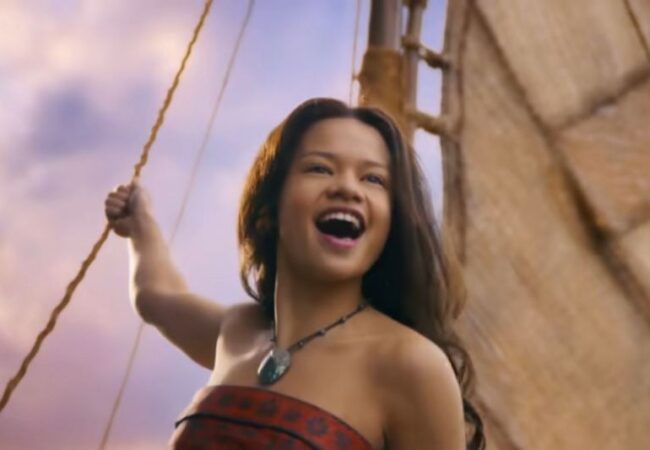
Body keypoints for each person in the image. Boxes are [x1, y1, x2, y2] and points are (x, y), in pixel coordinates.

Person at [104, 98, 485, 449]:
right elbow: (155, 296)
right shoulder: (237, 331)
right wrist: (140, 223)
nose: (347, 188)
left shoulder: (411, 364)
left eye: (373, 179)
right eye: (320, 168)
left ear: (391, 222)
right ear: (269, 209)